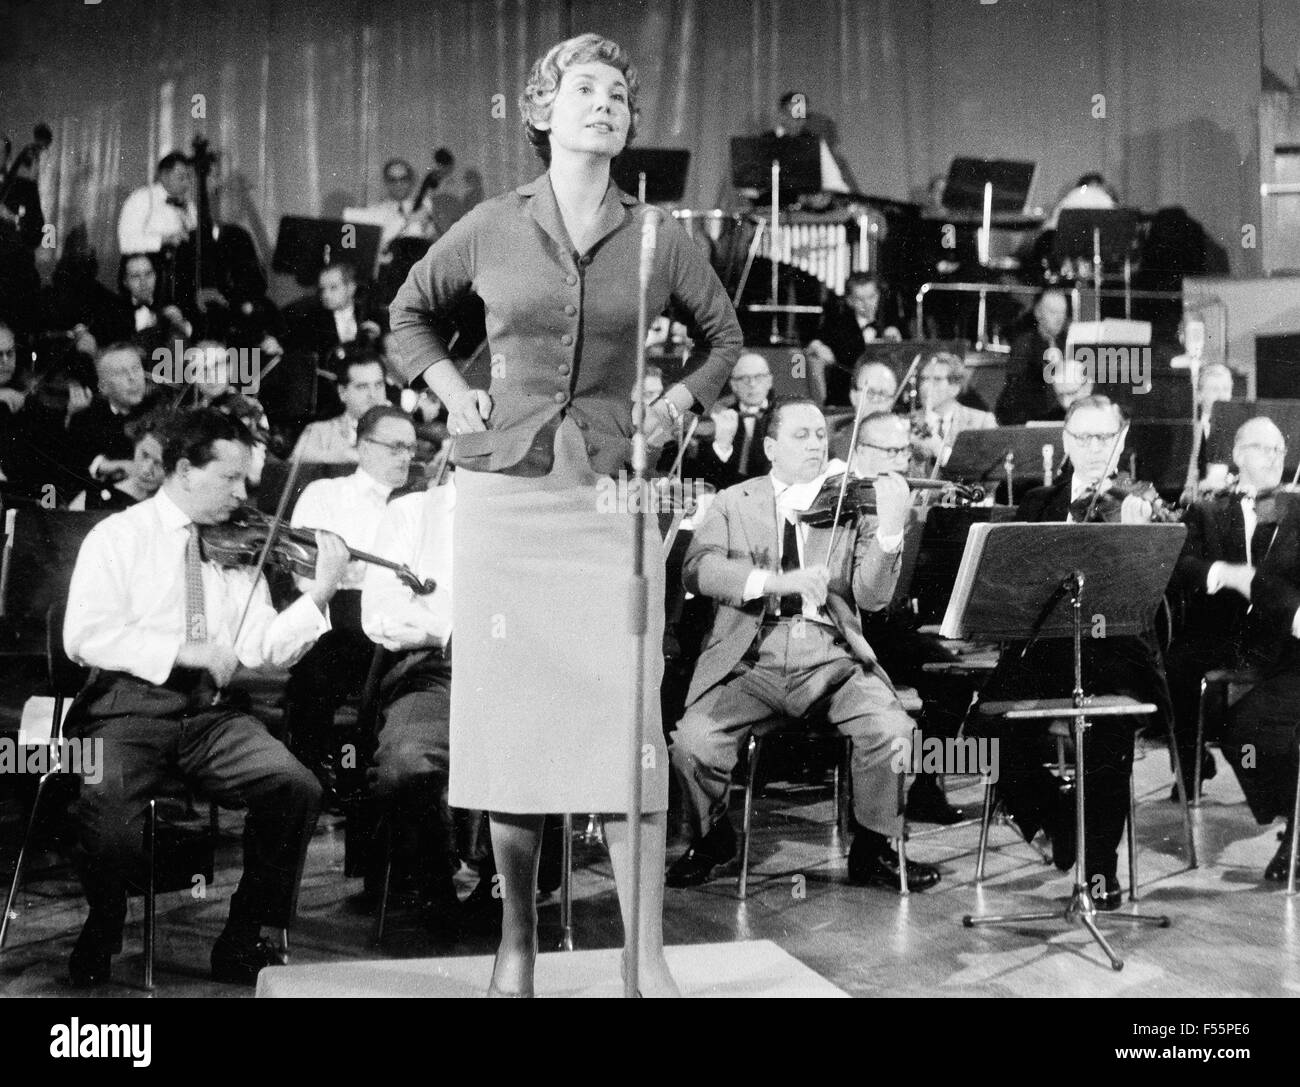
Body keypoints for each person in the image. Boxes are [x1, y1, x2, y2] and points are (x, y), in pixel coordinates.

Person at [389, 32, 742, 997]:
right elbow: (409, 314)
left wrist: (677, 403)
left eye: (618, 93)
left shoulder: (660, 235)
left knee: (629, 730)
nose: (605, 103)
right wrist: (451, 392)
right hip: (506, 500)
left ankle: (643, 955)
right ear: (541, 112)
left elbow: (723, 337)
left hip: (614, 499)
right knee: (517, 730)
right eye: (584, 88)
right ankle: (518, 943)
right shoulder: (491, 224)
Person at [62, 408, 350, 986]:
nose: (243, 494)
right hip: (127, 710)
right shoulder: (119, 536)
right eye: (230, 478)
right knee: (111, 821)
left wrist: (318, 596)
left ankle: (243, 937)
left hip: (208, 715)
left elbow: (262, 648)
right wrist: (184, 650)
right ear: (185, 471)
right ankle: (104, 922)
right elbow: (83, 635)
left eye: (246, 479)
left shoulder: (236, 550)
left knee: (294, 786)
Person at [667, 399, 942, 890]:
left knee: (894, 730)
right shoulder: (734, 501)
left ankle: (874, 848)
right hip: (753, 657)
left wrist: (890, 532)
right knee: (693, 743)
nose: (815, 444)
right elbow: (698, 569)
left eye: (819, 435)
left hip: (833, 656)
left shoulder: (851, 504)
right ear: (771, 447)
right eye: (801, 435)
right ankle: (712, 837)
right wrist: (776, 582)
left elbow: (873, 598)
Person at [971, 395, 1172, 909]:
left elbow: (1153, 598)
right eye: (1082, 437)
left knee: (1107, 735)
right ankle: (1060, 820)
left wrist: (1139, 538)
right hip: (1045, 652)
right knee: (983, 728)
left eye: (1105, 437)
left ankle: (1100, 869)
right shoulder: (1038, 502)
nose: (1094, 447)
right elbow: (1013, 586)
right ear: (1065, 441)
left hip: (1116, 654)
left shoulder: (1143, 504)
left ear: (1121, 442)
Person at [1165, 419, 1300, 843]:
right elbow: (1180, 565)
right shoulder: (1208, 511)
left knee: (1250, 731)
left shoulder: (1296, 512)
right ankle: (1191, 766)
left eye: (1280, 450)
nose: (1275, 458)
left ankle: (1286, 814)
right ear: (1239, 454)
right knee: (1179, 664)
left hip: (1282, 637)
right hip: (1225, 634)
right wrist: (1224, 572)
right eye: (1263, 448)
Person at [285, 405, 416, 794]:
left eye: (411, 448)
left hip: (403, 619)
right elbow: (305, 575)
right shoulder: (326, 494)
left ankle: (369, 778)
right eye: (395, 447)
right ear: (363, 447)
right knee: (319, 670)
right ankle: (316, 776)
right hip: (341, 616)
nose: (406, 457)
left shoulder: (420, 502)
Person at [359, 474, 458, 932]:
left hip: (522, 668)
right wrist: (449, 629)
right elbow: (381, 612)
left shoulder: (532, 512)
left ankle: (504, 886)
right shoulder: (413, 513)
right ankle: (434, 879)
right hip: (437, 669)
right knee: (406, 766)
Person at [805, 274, 902, 407]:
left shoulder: (889, 321)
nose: (867, 304)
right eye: (860, 299)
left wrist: (897, 340)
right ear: (850, 301)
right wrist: (818, 346)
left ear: (878, 295)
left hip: (884, 396)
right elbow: (814, 341)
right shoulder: (838, 323)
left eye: (871, 297)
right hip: (846, 398)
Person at [685, 352, 774, 491]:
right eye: (744, 378)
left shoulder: (783, 415)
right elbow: (704, 476)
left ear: (769, 381)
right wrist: (722, 447)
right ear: (733, 385)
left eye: (759, 377)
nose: (752, 384)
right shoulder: (717, 415)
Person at [291, 348, 391, 465]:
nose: (373, 395)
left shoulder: (403, 428)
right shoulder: (321, 431)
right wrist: (342, 456)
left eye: (378, 385)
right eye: (363, 387)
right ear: (342, 392)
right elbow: (296, 460)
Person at [911, 352, 996, 474]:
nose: (925, 387)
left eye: (936, 379)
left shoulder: (982, 422)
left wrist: (940, 451)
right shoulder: (907, 422)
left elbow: (990, 471)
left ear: (955, 387)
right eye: (923, 379)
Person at [996, 288, 1070, 425]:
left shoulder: (1070, 342)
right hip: (1032, 418)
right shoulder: (1024, 344)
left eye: (1063, 312)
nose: (1060, 319)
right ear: (1038, 313)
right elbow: (1015, 391)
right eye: (1053, 312)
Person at [80, 411, 166, 510]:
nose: (146, 470)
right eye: (144, 455)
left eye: (160, 463)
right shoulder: (105, 491)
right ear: (135, 445)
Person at [117, 151, 197, 256]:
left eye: (189, 177)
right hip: (148, 262)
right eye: (181, 178)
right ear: (164, 176)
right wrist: (164, 240)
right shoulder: (142, 198)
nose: (187, 183)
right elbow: (126, 243)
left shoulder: (189, 204)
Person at [829, 359, 898, 461]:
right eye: (870, 392)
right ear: (853, 396)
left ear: (892, 401)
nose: (876, 400)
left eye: (883, 393)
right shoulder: (835, 446)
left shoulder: (903, 444)